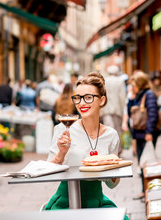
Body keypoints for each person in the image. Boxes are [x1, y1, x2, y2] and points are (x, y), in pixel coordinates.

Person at [45, 72, 129, 220]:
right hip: (65, 201)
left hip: (97, 201)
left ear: (102, 100)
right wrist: (61, 154)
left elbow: (112, 185)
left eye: (88, 97)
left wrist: (113, 165)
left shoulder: (111, 135)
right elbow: (47, 172)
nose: (82, 103)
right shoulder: (63, 130)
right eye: (77, 98)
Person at [126, 71, 160, 199]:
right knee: (142, 162)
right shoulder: (138, 95)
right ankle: (144, 190)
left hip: (146, 134)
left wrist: (149, 132)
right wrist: (131, 99)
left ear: (140, 84)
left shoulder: (148, 95)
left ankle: (148, 190)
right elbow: (132, 113)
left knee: (147, 163)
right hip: (139, 134)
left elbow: (153, 114)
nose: (132, 87)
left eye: (134, 85)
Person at [101, 65, 126, 155]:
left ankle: (108, 150)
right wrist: (124, 110)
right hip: (117, 109)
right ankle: (117, 150)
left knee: (108, 130)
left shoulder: (105, 81)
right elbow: (122, 97)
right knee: (117, 130)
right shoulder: (120, 81)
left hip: (106, 109)